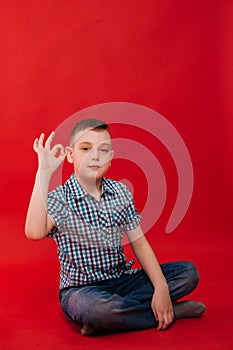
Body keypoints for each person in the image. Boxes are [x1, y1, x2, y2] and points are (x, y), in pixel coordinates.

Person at [25, 118, 205, 336]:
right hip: (82, 290)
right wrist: (43, 173)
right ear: (70, 154)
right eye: (86, 148)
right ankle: (163, 313)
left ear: (110, 158)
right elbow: (33, 233)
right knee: (95, 309)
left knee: (188, 273)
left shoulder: (120, 192)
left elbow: (139, 243)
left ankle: (113, 319)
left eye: (103, 150)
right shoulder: (61, 198)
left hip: (123, 280)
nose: (95, 156)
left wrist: (161, 288)